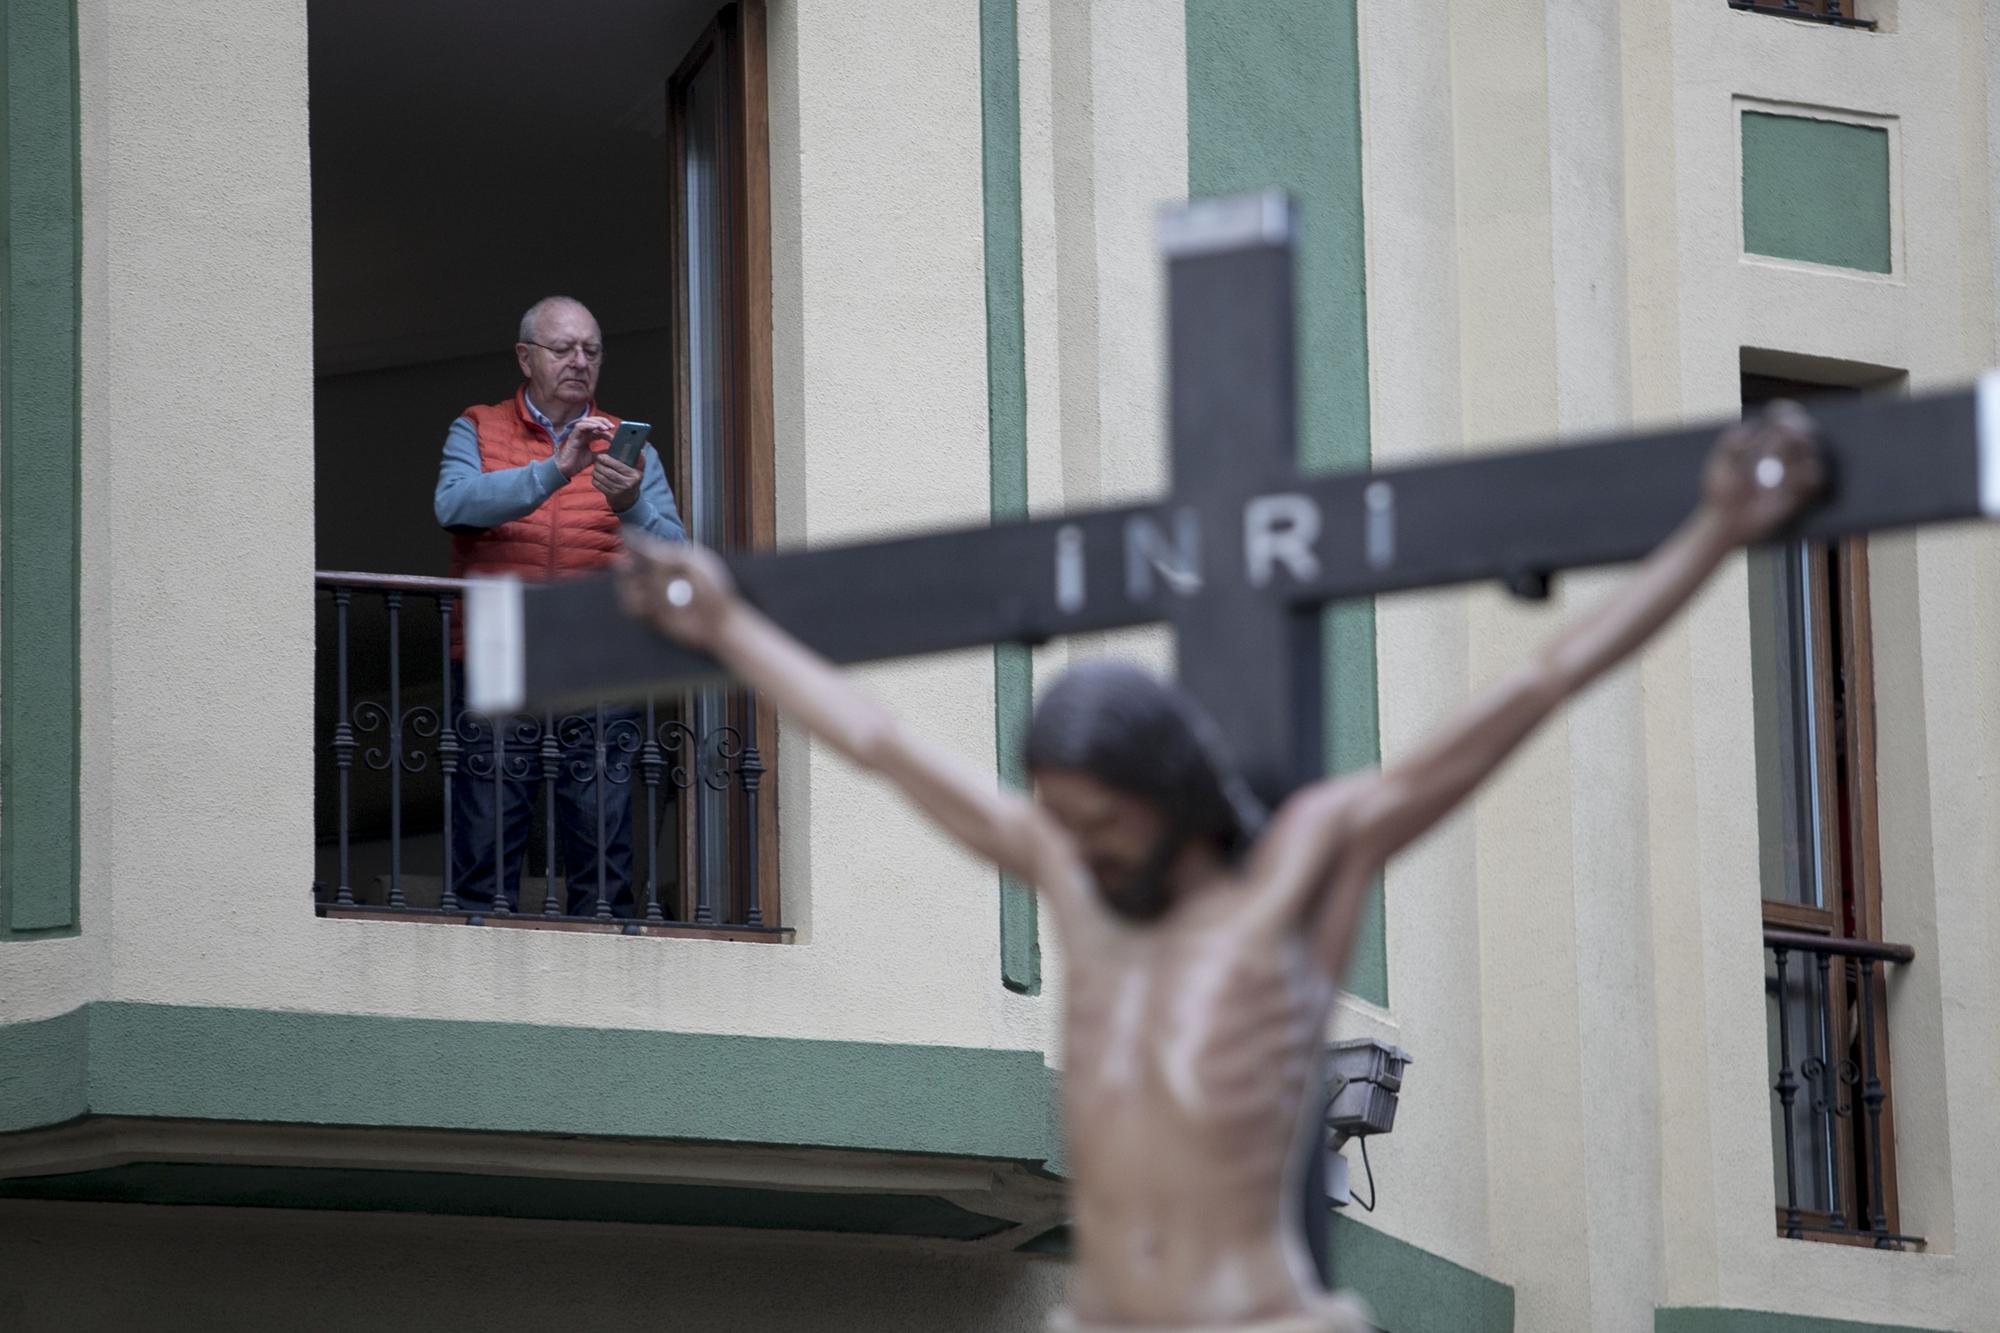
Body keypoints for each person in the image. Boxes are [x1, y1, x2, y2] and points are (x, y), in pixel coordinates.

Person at [615, 407, 1822, 1332]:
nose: (1077, 847)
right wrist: (723, 624)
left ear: (1166, 792)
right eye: (1061, 822)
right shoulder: (1079, 888)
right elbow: (881, 744)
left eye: (1100, 820)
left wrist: (1714, 529)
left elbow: (1533, 687)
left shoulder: (1293, 879)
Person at [436, 296, 685, 917]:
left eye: (591, 351)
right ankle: (479, 942)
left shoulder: (632, 449)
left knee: (601, 821)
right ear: (526, 357)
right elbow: (454, 505)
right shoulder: (477, 427)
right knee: (490, 816)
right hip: (501, 644)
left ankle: (604, 947)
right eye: (563, 349)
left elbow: (678, 552)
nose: (579, 361)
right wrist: (555, 469)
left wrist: (631, 506)